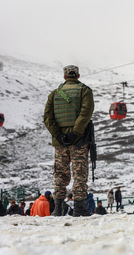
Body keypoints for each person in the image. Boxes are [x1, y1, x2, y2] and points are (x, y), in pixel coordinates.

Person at [43, 65, 94, 217]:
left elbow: (47, 117)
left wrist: (58, 135)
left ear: (65, 77)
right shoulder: (85, 91)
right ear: (78, 76)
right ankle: (79, 208)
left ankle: (58, 209)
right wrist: (75, 133)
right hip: (79, 141)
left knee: (60, 174)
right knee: (79, 173)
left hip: (60, 143)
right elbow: (86, 113)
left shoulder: (54, 94)